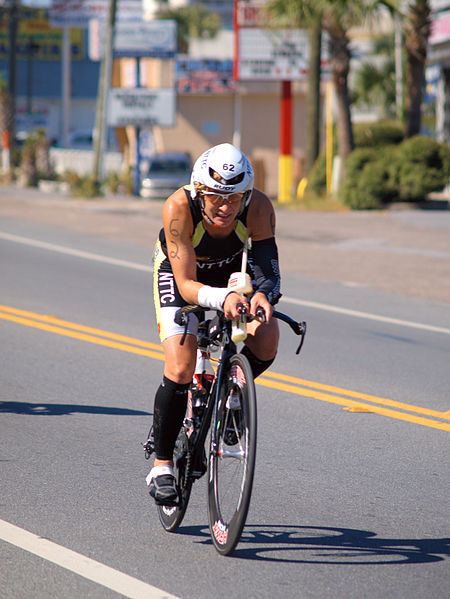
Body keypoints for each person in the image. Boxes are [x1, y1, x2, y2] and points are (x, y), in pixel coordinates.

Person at [146, 143, 281, 505]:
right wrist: (222, 299)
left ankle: (231, 395)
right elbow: (187, 284)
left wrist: (263, 297)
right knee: (181, 366)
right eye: (215, 197)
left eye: (234, 199)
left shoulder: (258, 207)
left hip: (230, 271)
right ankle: (161, 467)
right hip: (181, 274)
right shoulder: (178, 207)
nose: (225, 207)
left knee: (266, 337)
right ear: (199, 192)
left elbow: (267, 268)